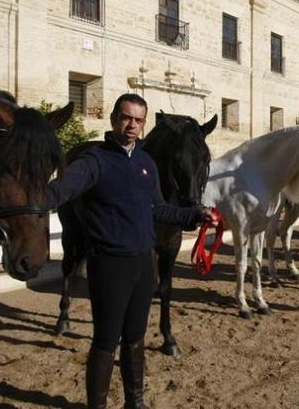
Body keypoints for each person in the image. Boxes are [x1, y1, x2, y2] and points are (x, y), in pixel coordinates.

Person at [46, 93, 218, 409]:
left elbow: (160, 209)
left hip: (142, 265)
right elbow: (60, 191)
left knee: (136, 338)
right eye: (127, 118)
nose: (132, 125)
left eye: (138, 120)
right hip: (109, 265)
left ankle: (134, 403)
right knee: (105, 341)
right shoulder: (94, 160)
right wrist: (31, 200)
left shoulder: (146, 163)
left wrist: (195, 214)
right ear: (114, 119)